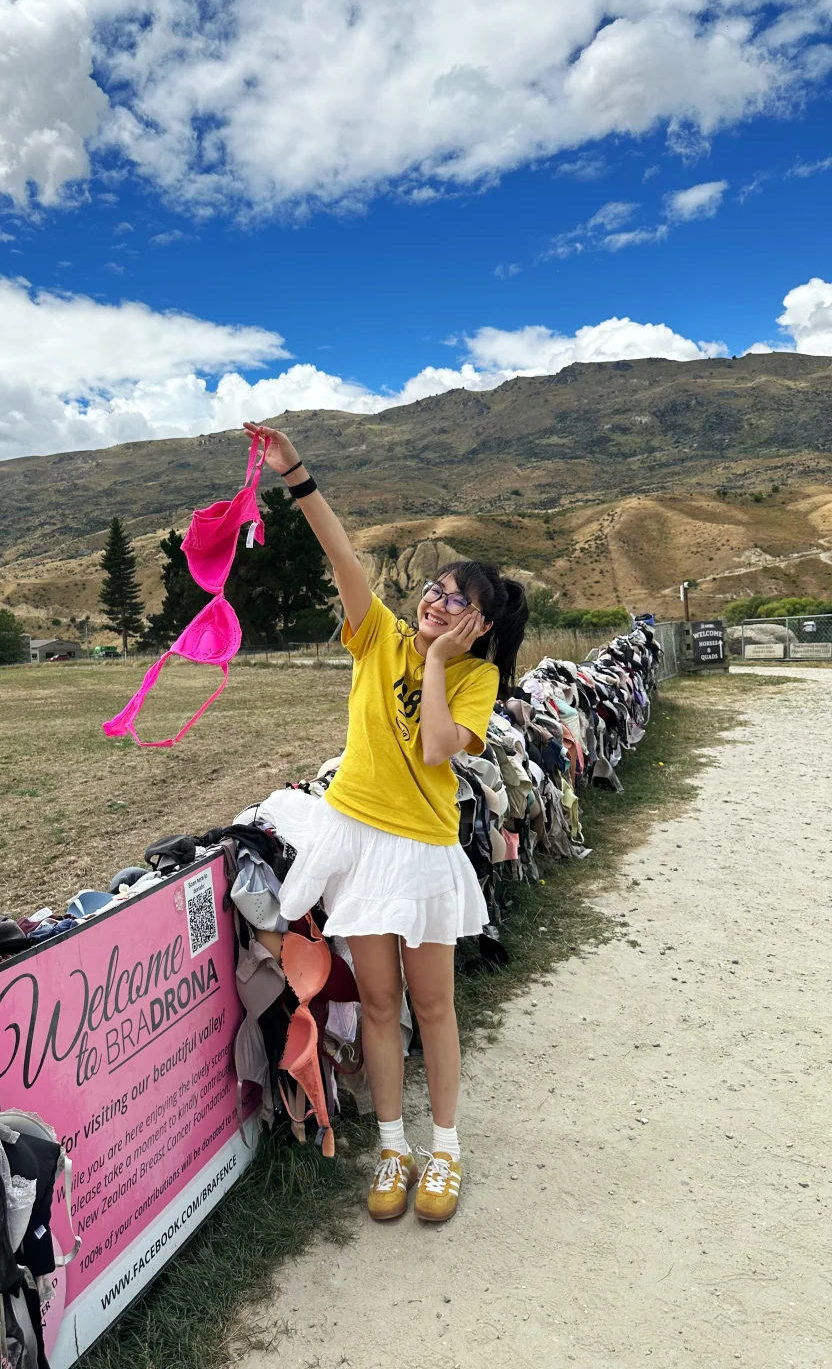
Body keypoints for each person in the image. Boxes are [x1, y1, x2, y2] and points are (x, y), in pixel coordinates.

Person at [242, 419, 528, 1224]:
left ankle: (446, 1149)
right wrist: (294, 469)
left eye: (458, 601)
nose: (437, 602)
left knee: (430, 1006)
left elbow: (439, 749)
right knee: (375, 1003)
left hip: (423, 853)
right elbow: (341, 555)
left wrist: (437, 661)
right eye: (435, 589)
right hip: (360, 841)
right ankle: (393, 1145)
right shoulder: (376, 636)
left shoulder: (472, 679)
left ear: (482, 625)